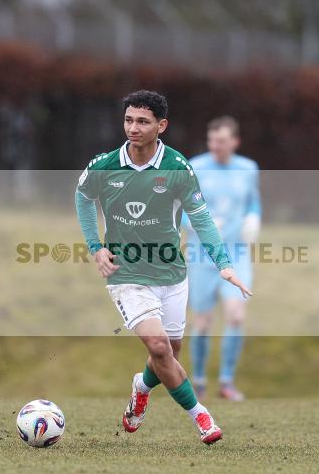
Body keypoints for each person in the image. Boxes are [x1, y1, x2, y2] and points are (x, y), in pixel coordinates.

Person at [74, 90, 252, 445]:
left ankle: (141, 387)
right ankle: (201, 417)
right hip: (126, 275)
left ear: (161, 125)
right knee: (158, 347)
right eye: (128, 120)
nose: (133, 128)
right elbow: (82, 197)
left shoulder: (177, 168)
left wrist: (224, 265)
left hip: (171, 273)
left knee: (170, 351)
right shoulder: (104, 165)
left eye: (142, 121)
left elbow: (201, 219)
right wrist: (96, 248)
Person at [183, 116, 260, 401]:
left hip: (236, 252)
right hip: (202, 254)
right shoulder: (195, 167)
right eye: (212, 140)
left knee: (236, 315)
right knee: (202, 321)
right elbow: (180, 210)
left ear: (235, 142)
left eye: (222, 141)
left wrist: (254, 218)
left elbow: (253, 201)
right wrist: (197, 223)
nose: (216, 145)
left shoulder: (248, 168)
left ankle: (226, 382)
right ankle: (199, 382)